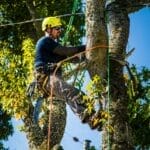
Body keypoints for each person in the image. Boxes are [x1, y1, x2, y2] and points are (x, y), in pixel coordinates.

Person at [34, 17, 100, 130]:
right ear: (48, 29)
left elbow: (72, 58)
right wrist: (87, 46)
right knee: (70, 92)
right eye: (57, 28)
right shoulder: (45, 41)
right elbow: (67, 51)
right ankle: (90, 118)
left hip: (52, 79)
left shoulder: (54, 48)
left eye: (60, 29)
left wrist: (87, 55)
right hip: (46, 78)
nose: (60, 31)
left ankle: (95, 118)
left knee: (80, 94)